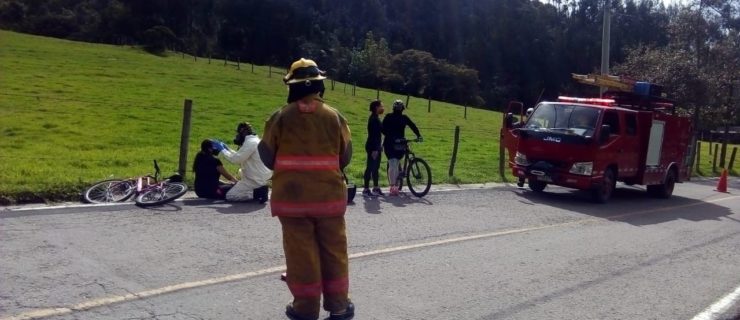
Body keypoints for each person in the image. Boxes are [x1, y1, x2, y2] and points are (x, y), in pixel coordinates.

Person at [257, 58, 354, 320]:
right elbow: (345, 157)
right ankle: (340, 306)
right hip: (329, 201)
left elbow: (266, 156)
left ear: (291, 86)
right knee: (334, 252)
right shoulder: (335, 117)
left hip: (292, 202)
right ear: (320, 86)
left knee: (301, 256)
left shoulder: (279, 118)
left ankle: (305, 309)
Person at [212, 122, 272, 202]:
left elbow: (236, 159)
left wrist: (222, 150)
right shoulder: (254, 141)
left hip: (254, 179)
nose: (237, 136)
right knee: (241, 173)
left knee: (231, 195)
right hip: (260, 176)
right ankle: (258, 189)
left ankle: (258, 192)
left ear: (243, 132)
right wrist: (227, 149)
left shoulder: (250, 143)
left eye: (238, 134)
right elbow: (240, 155)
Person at [382, 99, 422, 196]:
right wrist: (418, 135)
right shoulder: (400, 117)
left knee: (394, 163)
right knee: (393, 163)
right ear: (402, 109)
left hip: (397, 143)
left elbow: (383, 129)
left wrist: (418, 135)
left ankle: (396, 182)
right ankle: (393, 186)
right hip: (392, 144)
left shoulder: (390, 117)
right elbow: (413, 126)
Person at [362, 100, 384, 197]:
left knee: (376, 168)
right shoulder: (374, 119)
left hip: (376, 146)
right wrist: (375, 149)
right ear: (376, 107)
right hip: (372, 147)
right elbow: (374, 135)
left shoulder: (376, 118)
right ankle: (366, 189)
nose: (382, 108)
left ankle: (375, 187)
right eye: (381, 106)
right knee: (370, 167)